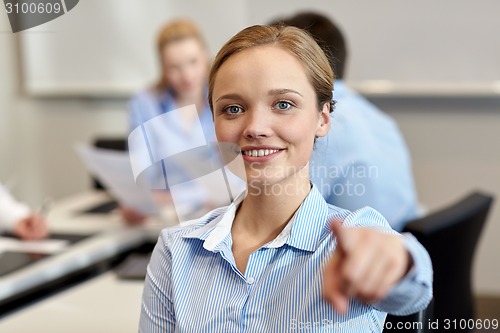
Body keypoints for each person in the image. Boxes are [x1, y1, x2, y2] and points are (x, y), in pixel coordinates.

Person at [139, 25, 432, 332]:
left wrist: (399, 262)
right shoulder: (176, 251)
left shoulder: (350, 237)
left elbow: (414, 291)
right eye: (233, 109)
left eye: (283, 105)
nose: (255, 127)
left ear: (322, 118)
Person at [273, 12, 420, 231]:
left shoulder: (323, 126)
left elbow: (283, 213)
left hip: (361, 250)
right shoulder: (376, 116)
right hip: (403, 236)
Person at [124, 19, 217, 224]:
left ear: (205, 57)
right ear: (163, 68)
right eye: (174, 67)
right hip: (161, 219)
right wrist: (142, 199)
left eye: (193, 62)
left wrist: (174, 197)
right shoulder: (145, 103)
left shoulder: (224, 99)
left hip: (217, 214)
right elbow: (141, 171)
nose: (187, 75)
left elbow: (235, 178)